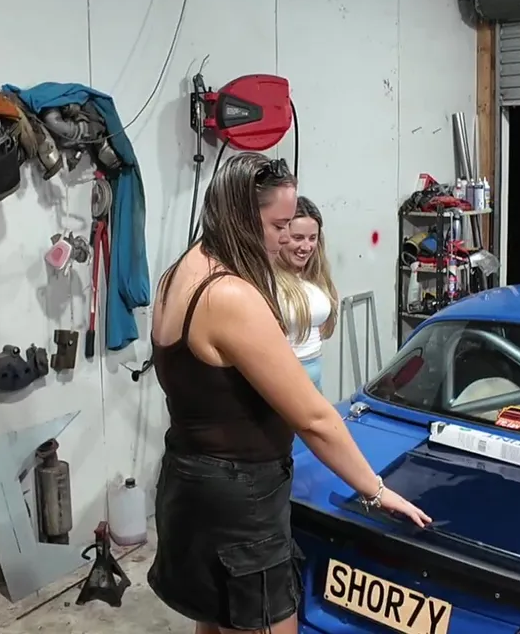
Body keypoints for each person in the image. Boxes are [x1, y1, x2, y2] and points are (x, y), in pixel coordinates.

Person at [147, 152, 430, 634]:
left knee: (213, 619)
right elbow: (314, 418)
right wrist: (376, 490)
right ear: (239, 214)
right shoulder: (229, 295)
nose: (285, 239)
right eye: (278, 225)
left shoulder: (180, 272)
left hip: (189, 480)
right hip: (241, 503)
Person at [277, 196, 337, 392]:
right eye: (298, 238)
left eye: (312, 238)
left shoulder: (316, 277)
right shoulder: (269, 280)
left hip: (314, 374)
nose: (306, 247)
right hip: (283, 378)